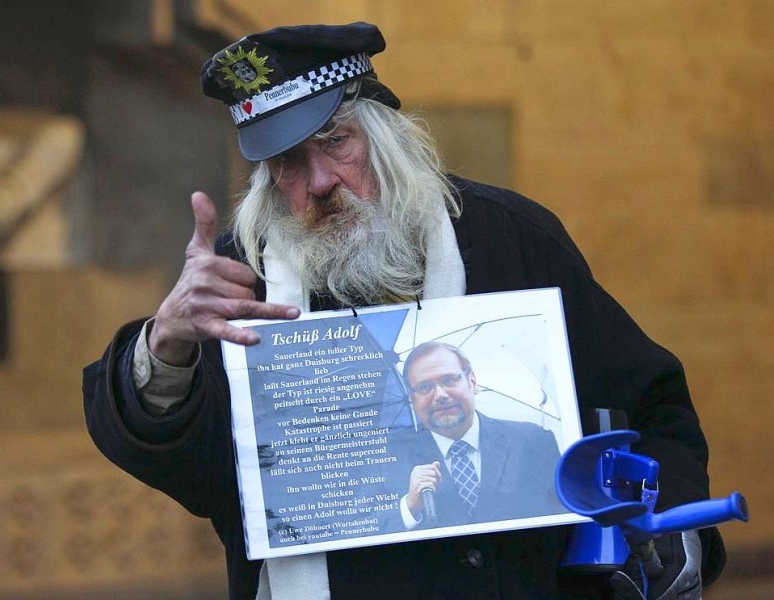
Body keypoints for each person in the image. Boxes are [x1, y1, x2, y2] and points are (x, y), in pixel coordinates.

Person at [83, 22, 725, 600]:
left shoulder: (512, 238)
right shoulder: (238, 283)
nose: (319, 183)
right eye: (285, 163)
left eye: (335, 142)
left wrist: (666, 525)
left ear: (385, 134)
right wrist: (166, 343)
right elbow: (193, 473)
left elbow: (651, 409)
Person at [395, 341, 565, 530]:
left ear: (472, 381)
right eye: (425, 387)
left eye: (449, 380)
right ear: (412, 398)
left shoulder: (534, 441)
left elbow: (562, 514)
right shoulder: (391, 459)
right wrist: (410, 508)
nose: (440, 395)